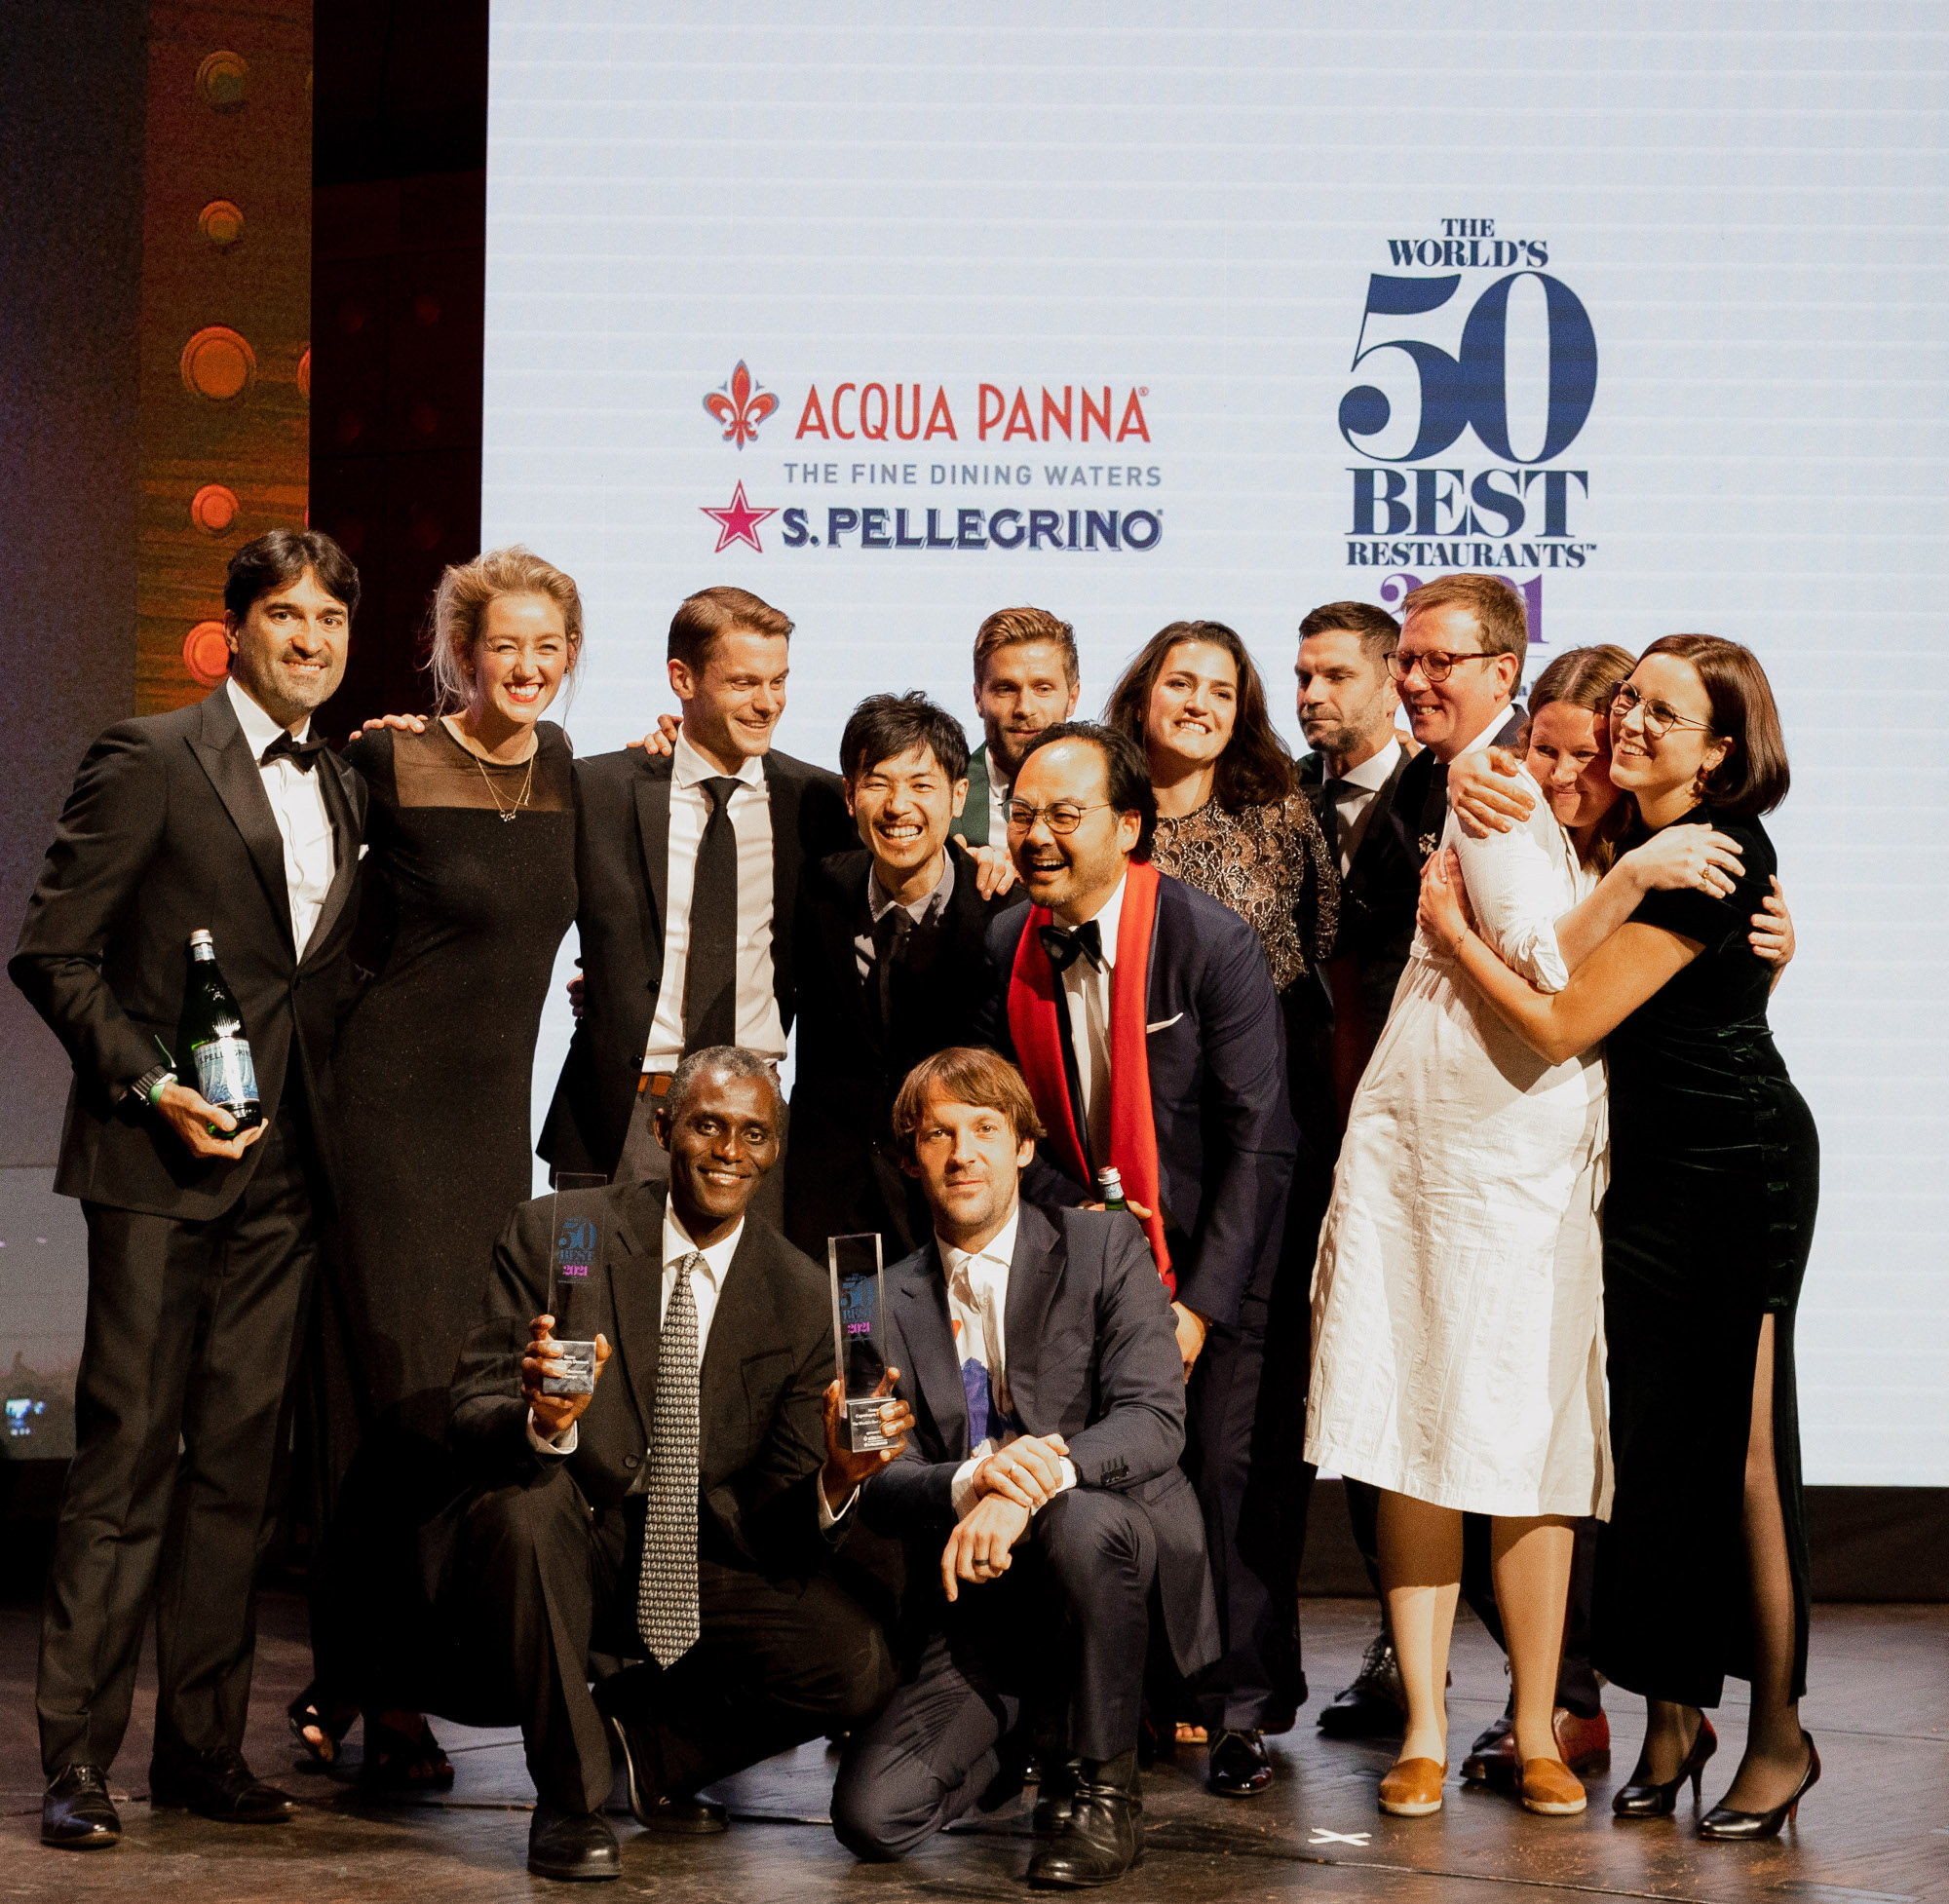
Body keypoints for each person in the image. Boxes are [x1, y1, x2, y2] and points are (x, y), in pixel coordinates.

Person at [1307, 644, 1763, 1819]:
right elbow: (1545, 963)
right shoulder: (1496, 802)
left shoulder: (1624, 841)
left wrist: (1756, 934)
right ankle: (1418, 1724)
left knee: (1533, 1450)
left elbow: (1632, 993)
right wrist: (1614, 876)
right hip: (1429, 1167)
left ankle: (1533, 1722)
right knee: (1417, 1439)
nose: (1560, 767)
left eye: (1586, 746)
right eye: (1546, 743)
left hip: (1546, 1181)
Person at [1420, 634, 1821, 1842]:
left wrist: (1451, 943)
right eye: (1628, 700)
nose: (1627, 723)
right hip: (1639, 1180)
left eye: (1662, 713)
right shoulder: (1629, 847)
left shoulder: (1708, 857)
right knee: (1649, 1460)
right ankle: (1669, 1717)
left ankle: (1781, 1738)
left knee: (1743, 1462)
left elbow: (1555, 1025)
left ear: (1720, 751)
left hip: (1733, 1172)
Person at [12, 529, 367, 1847]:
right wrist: (148, 1082)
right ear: (235, 629)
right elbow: (56, 953)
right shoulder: (150, 756)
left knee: (235, 1478)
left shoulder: (343, 785)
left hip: (284, 1183)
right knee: (125, 1468)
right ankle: (76, 1764)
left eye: (331, 617)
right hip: (159, 1170)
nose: (311, 638)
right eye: (286, 614)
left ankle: (204, 1753)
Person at [437, 1047, 902, 1881]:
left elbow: (775, 1513)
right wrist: (539, 1420)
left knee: (855, 1661)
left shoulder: (801, 1295)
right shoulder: (564, 1231)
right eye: (708, 1126)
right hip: (566, 1528)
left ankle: (644, 1749)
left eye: (753, 1134)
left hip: (695, 1556)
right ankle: (571, 1805)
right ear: (664, 1130)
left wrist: (839, 1476)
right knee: (525, 1510)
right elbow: (470, 1409)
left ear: (775, 1151)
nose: (729, 1151)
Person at [290, 548, 585, 1785]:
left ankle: (390, 1671)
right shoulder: (387, 758)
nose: (525, 667)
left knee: (465, 1401)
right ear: (461, 653)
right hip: (386, 1123)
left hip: (491, 1143)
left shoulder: (576, 772)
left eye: (547, 647)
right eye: (501, 646)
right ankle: (376, 1688)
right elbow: (309, 923)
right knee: (389, 1401)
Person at [977, 720, 1300, 1794]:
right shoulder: (1002, 945)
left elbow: (1259, 1134)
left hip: (1218, 1247)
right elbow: (1016, 1131)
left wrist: (1200, 1305)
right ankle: (1118, 1698)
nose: (1035, 835)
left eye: (1063, 815)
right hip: (1090, 1257)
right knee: (1095, 1472)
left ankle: (1237, 1704)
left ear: (1127, 826)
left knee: (1218, 1469)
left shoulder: (1208, 943)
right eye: (1021, 813)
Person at [831, 1047, 1217, 1886]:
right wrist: (973, 1482)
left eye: (984, 1129)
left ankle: (1104, 1792)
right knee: (870, 1817)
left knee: (1079, 1521)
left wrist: (1029, 1480)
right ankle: (1030, 1732)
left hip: (1112, 1564)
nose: (962, 1152)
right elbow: (877, 1478)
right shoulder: (875, 1297)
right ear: (910, 1157)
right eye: (938, 1135)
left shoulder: (1102, 1243)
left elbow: (1155, 1422)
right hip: (987, 1606)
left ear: (1023, 1146)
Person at [1101, 620, 1336, 1788]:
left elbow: (1328, 974)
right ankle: (1141, 1687)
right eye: (1177, 681)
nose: (1196, 702)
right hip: (1121, 1170)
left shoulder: (1281, 817)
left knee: (1236, 1449)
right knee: (1131, 1435)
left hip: (1251, 1158)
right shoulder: (1097, 813)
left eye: (1219, 689)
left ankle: (1238, 1692)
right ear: (1140, 692)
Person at [540, 587, 855, 1225]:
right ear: (681, 679)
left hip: (754, 1113)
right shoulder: (600, 788)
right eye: (743, 682)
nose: (767, 703)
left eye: (779, 681)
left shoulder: (817, 802)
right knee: (588, 1311)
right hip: (623, 1112)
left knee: (739, 1319)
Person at [785, 692, 1010, 1259]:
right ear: (849, 794)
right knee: (844, 1347)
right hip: (830, 1204)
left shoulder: (1003, 915)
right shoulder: (814, 893)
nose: (897, 806)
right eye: (878, 783)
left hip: (954, 1201)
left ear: (960, 795)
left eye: (921, 785)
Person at [955, 605, 1083, 848]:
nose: (1024, 708)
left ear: (1072, 698)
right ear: (978, 699)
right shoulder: (945, 802)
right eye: (1006, 689)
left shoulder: (1106, 793)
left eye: (1043, 689)